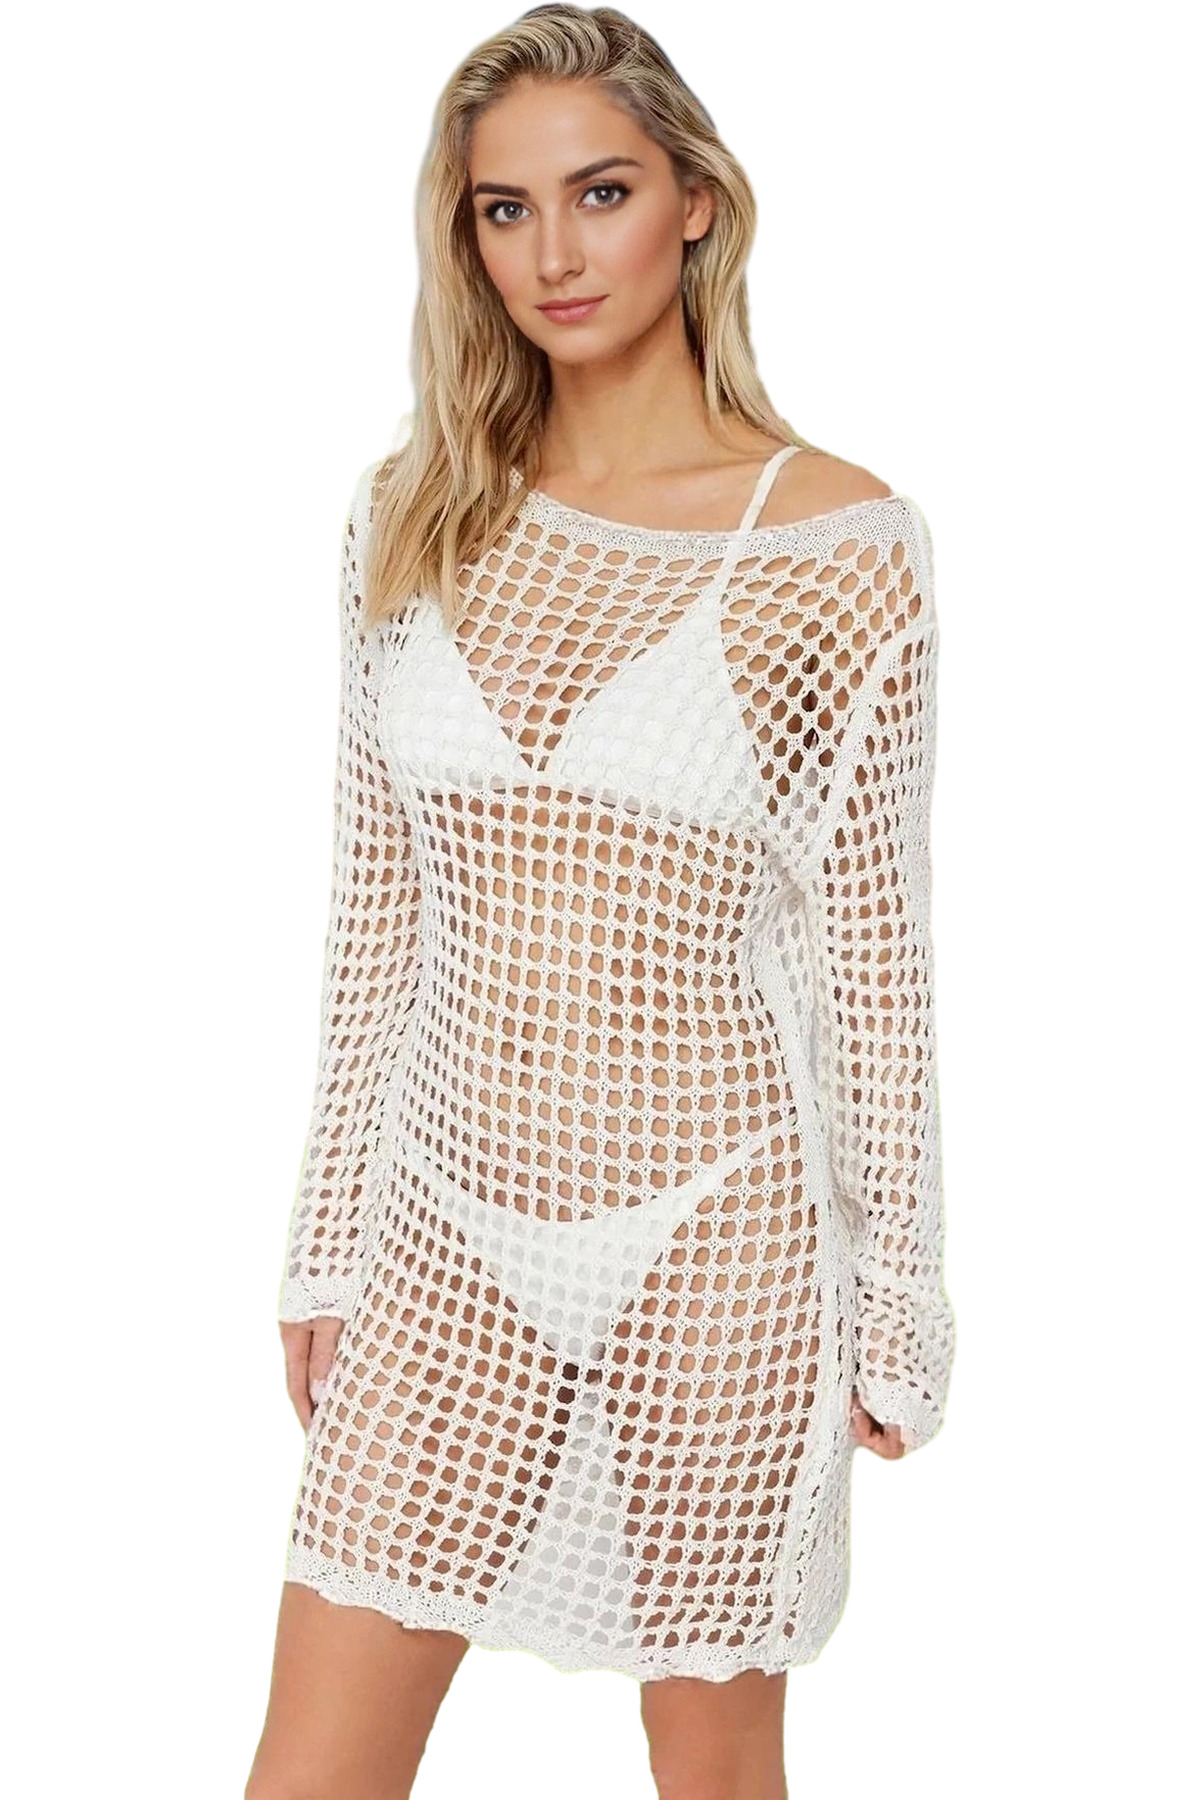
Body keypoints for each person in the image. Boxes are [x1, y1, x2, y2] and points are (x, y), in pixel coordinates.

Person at [246, 6, 956, 1797]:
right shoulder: (412, 515)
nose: (554, 253)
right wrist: (327, 1239)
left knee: (712, 1768)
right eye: (505, 209)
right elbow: (378, 917)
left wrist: (902, 1299)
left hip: (722, 1232)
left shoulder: (836, 544)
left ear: (697, 202)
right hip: (446, 1220)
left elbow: (873, 965)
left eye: (603, 192)